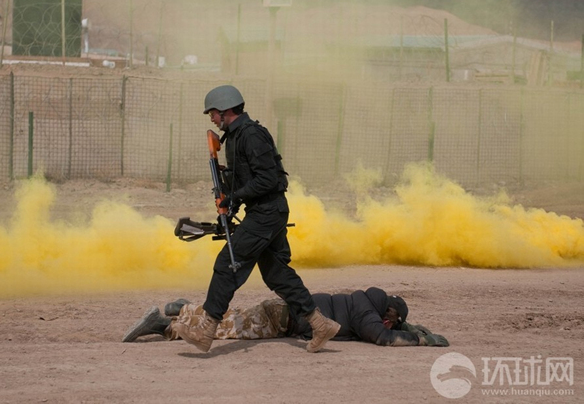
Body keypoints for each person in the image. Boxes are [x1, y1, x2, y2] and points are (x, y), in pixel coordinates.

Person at [173, 85, 340, 353]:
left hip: (267, 212)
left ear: (226, 110)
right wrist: (230, 194)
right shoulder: (236, 137)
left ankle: (205, 331)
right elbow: (249, 178)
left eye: (212, 113)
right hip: (264, 211)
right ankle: (320, 325)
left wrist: (235, 196)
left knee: (227, 263)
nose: (211, 119)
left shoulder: (251, 135)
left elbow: (268, 179)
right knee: (276, 274)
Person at [122, 287, 449, 347]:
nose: (389, 323)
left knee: (230, 317)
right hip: (282, 319)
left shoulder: (362, 300)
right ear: (387, 313)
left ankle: (184, 308)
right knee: (222, 331)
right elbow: (381, 337)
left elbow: (382, 327)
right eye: (392, 319)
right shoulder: (366, 313)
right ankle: (164, 326)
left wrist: (411, 326)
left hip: (281, 309)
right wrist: (421, 339)